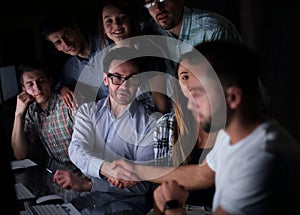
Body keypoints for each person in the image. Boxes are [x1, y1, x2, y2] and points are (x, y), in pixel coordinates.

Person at [110, 40, 300, 214]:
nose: (190, 105)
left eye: (199, 94)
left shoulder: (262, 158)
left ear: (233, 98)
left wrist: (172, 205)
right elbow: (201, 175)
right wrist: (134, 169)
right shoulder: (232, 133)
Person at [64, 47, 159, 214]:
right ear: (105, 79)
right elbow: (77, 150)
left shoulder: (151, 123)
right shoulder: (88, 112)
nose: (124, 85)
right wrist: (107, 169)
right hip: (90, 198)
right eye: (116, 77)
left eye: (131, 79)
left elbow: (143, 184)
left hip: (128, 204)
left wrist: (91, 184)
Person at [10, 59, 83, 201]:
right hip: (55, 176)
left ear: (50, 81)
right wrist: (18, 115)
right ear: (24, 90)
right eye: (30, 84)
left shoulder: (67, 101)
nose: (37, 88)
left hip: (81, 175)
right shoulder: (31, 110)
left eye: (41, 81)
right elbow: (20, 154)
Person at [98, 0, 171, 114]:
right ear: (103, 28)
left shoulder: (148, 50)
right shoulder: (109, 56)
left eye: (122, 18)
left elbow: (161, 102)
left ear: (131, 21)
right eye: (109, 21)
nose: (116, 25)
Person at [40, 14, 109, 110]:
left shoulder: (107, 43)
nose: (66, 44)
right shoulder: (69, 68)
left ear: (76, 28)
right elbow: (56, 89)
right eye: (58, 42)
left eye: (67, 35)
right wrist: (63, 90)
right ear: (56, 48)